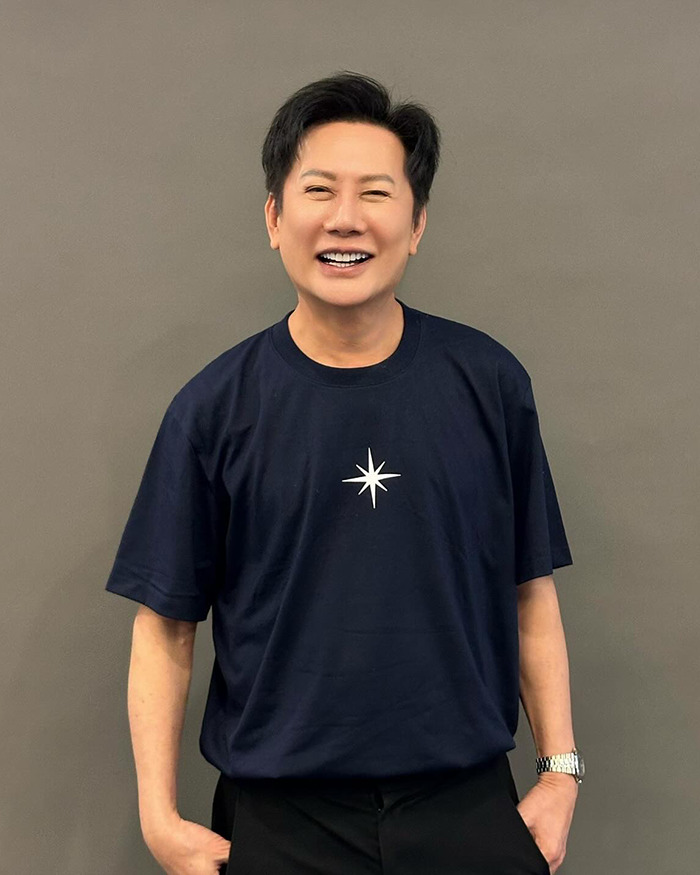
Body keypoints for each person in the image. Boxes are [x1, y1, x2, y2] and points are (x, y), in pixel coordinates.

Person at [105, 70, 582, 875]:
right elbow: (164, 625)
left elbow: (529, 589)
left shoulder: (489, 383)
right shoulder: (214, 408)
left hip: (466, 808)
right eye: (319, 189)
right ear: (274, 216)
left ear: (417, 223)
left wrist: (559, 770)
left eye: (377, 193)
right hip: (280, 820)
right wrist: (159, 816)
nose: (346, 219)